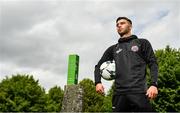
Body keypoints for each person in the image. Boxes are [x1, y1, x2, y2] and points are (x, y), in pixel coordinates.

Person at [94, 17, 158, 112]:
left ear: (130, 26)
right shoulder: (113, 49)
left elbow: (153, 64)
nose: (119, 25)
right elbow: (98, 66)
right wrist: (98, 82)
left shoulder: (142, 43)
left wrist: (154, 84)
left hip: (139, 92)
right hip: (119, 95)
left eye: (122, 23)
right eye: (117, 25)